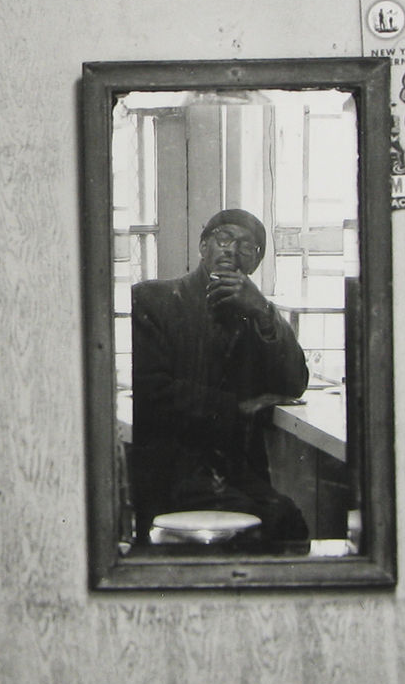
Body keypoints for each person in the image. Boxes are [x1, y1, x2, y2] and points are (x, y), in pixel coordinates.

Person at [130, 208, 310, 544]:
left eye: (247, 247)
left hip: (236, 474)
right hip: (170, 473)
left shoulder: (254, 313)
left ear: (254, 264)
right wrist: (237, 408)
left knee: (287, 523)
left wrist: (264, 312)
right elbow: (150, 392)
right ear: (203, 247)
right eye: (223, 239)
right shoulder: (153, 300)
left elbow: (294, 382)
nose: (231, 250)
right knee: (275, 524)